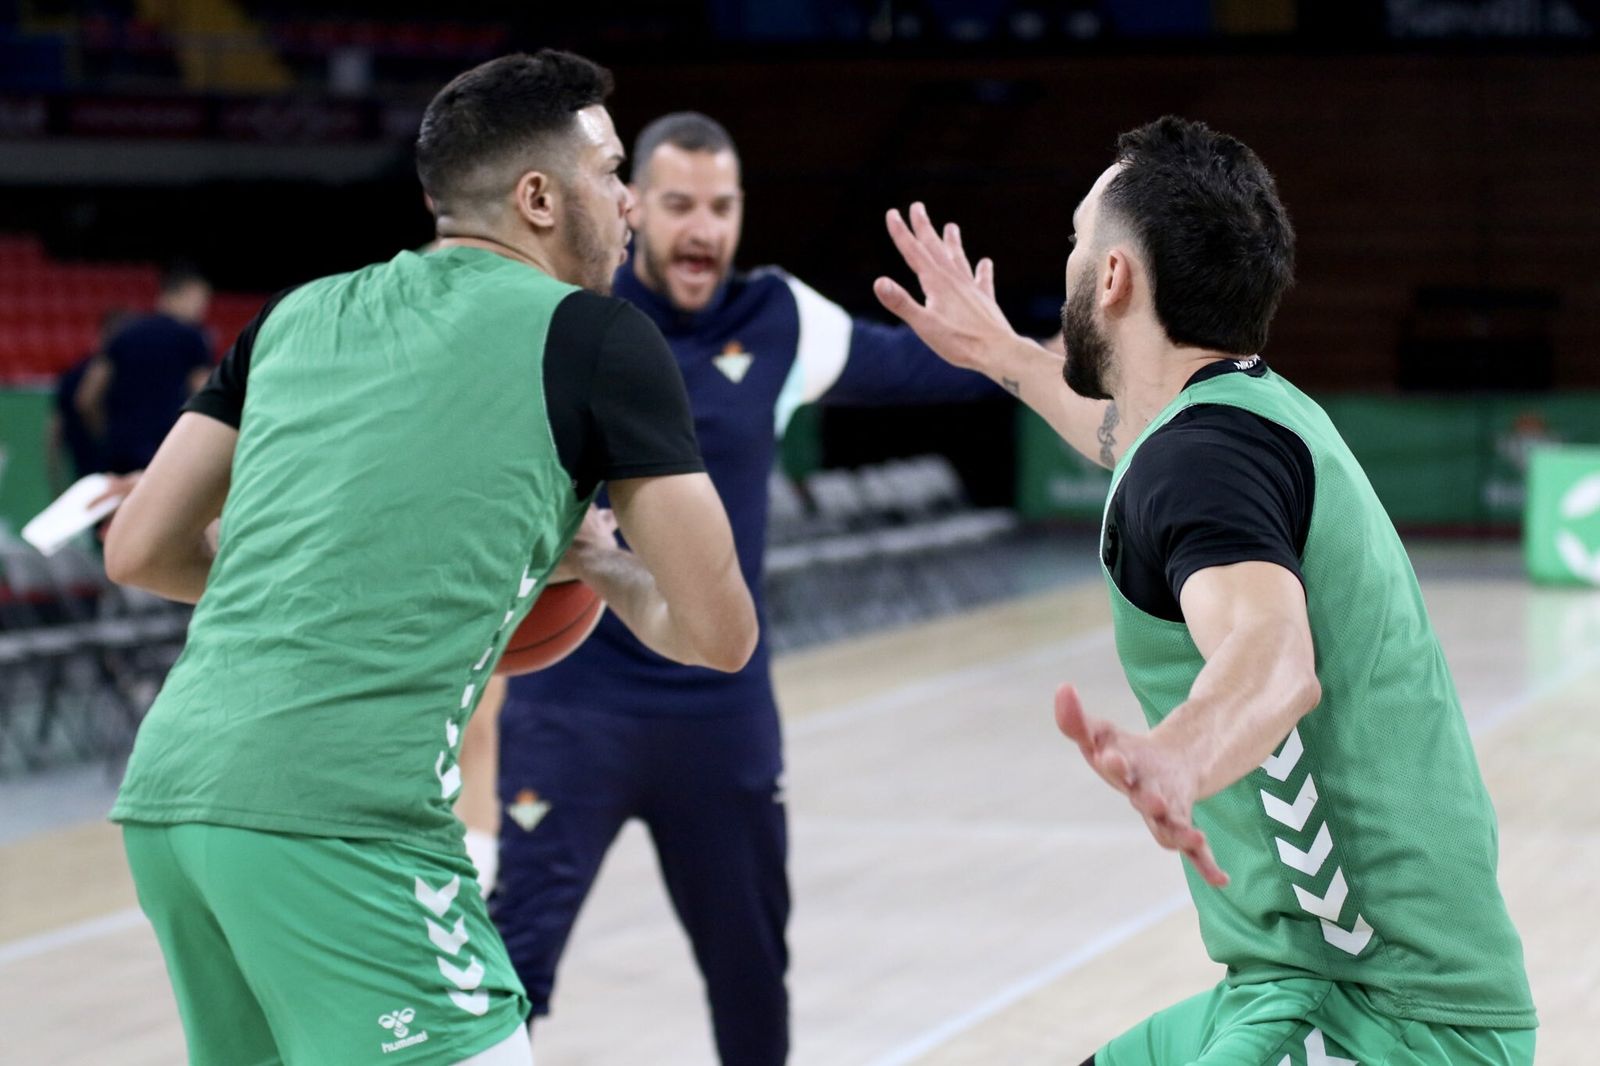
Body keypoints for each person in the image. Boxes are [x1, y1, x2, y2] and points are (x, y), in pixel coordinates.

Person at [104, 51, 757, 1066]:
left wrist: (347, 571)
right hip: (339, 816)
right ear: (540, 197)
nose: (627, 202)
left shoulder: (293, 313)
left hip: (172, 800)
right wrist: (597, 562)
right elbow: (720, 631)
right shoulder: (595, 339)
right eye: (611, 171)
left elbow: (139, 546)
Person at [873, 116, 1536, 1065]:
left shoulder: (1202, 460)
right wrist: (1005, 356)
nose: (1066, 264)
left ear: (1113, 279)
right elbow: (1118, 438)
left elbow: (1272, 653)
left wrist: (1181, 753)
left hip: (1389, 1021)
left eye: (1075, 242)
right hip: (1301, 986)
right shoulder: (1229, 418)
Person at [457, 111, 999, 1066]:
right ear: (633, 206)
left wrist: (1044, 348)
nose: (701, 228)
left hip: (722, 707)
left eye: (720, 206)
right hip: (575, 702)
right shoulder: (559, 310)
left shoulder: (780, 319)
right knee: (513, 966)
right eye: (677, 206)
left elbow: (937, 365)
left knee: (752, 975)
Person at [75, 264, 213, 474]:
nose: (203, 308)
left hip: (119, 453)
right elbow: (206, 398)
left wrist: (108, 435)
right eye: (202, 299)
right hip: (166, 454)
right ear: (187, 292)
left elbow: (86, 398)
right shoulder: (192, 338)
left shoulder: (124, 333)